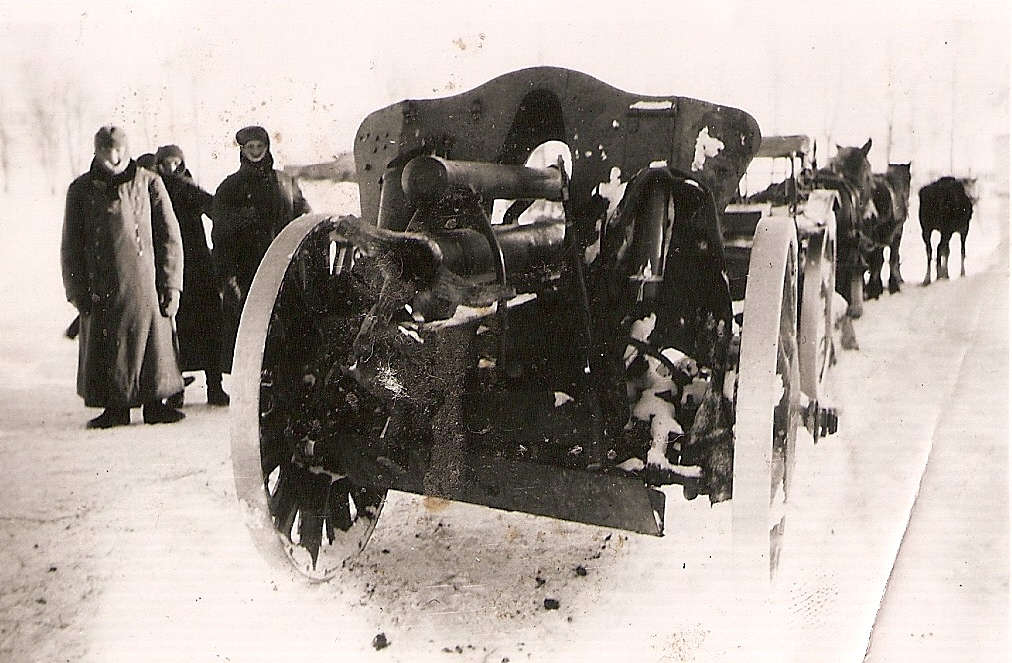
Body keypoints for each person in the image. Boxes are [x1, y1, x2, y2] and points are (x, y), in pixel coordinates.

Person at [61, 126, 186, 428]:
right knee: (109, 346)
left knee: (151, 345)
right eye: (107, 151)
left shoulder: (149, 182)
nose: (114, 157)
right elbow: (71, 245)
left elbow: (169, 237)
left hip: (145, 284)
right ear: (97, 152)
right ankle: (114, 408)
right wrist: (76, 289)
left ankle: (155, 404)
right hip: (101, 285)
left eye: (119, 150)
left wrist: (171, 283)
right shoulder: (81, 189)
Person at [212, 125, 311, 373]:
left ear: (267, 148)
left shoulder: (285, 182)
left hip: (286, 268)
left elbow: (304, 216)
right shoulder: (230, 187)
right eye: (250, 147)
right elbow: (221, 237)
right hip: (249, 271)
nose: (255, 151)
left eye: (260, 146)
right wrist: (228, 278)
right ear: (242, 150)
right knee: (255, 335)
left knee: (291, 330)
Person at [155, 144, 229, 406]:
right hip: (169, 267)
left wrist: (219, 245)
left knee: (209, 326)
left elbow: (216, 209)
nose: (171, 168)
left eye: (176, 162)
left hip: (198, 266)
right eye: (166, 163)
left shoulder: (188, 188)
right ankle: (175, 390)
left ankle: (214, 386)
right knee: (173, 330)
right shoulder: (154, 189)